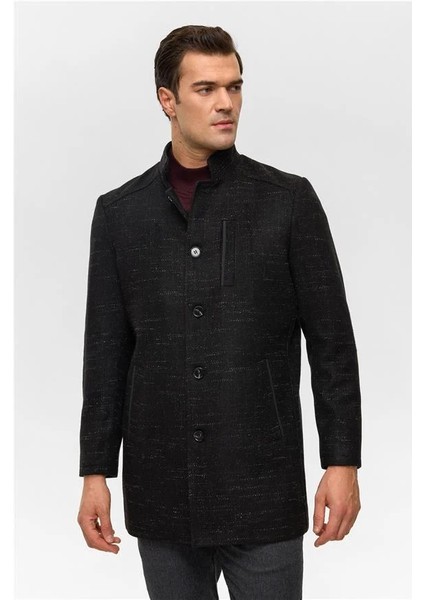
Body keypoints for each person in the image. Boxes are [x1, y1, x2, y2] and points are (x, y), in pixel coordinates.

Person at [77, 25, 362, 600]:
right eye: (206, 89)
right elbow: (106, 354)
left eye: (234, 86)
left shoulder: (288, 201)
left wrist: (342, 462)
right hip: (162, 490)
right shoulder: (120, 214)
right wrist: (95, 473)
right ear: (167, 100)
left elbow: (332, 343)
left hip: (262, 486)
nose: (226, 102)